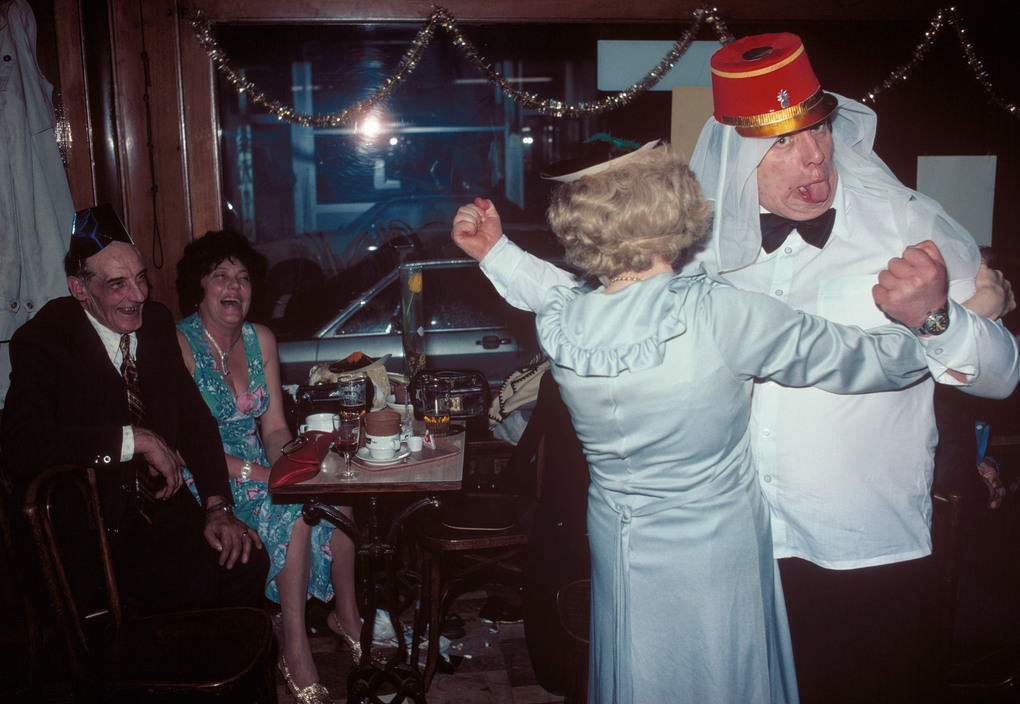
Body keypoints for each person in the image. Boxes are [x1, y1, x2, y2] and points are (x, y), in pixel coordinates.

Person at [453, 34, 1020, 703]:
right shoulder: (694, 245)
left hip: (863, 548)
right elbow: (592, 300)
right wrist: (499, 254)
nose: (812, 156)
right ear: (739, 148)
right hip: (738, 558)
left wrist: (941, 318)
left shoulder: (909, 223)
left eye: (817, 129)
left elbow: (1002, 376)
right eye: (780, 142)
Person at [0, 204, 269, 615]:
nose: (138, 295)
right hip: (92, 530)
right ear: (79, 289)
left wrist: (218, 506)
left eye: (141, 279)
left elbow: (196, 422)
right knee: (191, 587)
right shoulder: (44, 340)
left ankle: (222, 677)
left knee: (246, 558)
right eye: (118, 284)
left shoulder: (156, 324)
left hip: (160, 513)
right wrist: (132, 440)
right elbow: (21, 444)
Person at [174, 230, 362, 703]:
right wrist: (265, 478)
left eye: (242, 278)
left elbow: (275, 427)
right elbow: (184, 446)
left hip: (258, 464)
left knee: (335, 492)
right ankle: (294, 646)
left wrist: (296, 466)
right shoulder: (179, 343)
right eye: (220, 276)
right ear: (200, 286)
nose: (233, 287)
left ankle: (348, 614)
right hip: (210, 473)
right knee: (290, 509)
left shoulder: (261, 338)